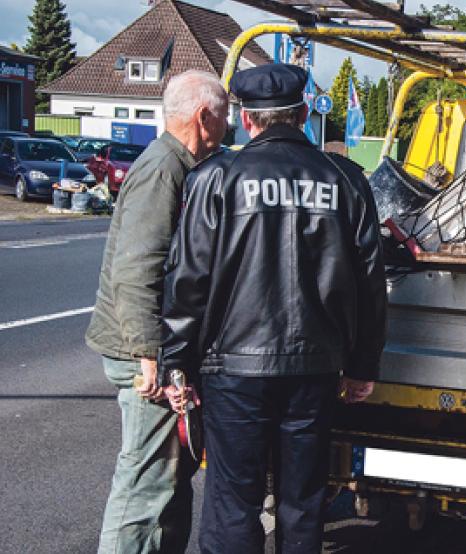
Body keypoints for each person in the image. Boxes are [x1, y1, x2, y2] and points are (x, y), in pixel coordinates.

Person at [160, 63, 387, 554]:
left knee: (232, 501)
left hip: (232, 370)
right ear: (304, 114)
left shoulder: (215, 178)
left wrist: (177, 363)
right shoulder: (345, 180)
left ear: (247, 120)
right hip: (316, 368)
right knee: (302, 502)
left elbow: (188, 281)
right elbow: (371, 282)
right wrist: (362, 363)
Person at [85, 69, 229, 553]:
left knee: (171, 480)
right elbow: (136, 269)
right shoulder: (163, 169)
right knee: (147, 481)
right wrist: (151, 357)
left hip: (161, 351)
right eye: (226, 116)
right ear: (204, 116)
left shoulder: (180, 164)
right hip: (146, 355)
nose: (228, 127)